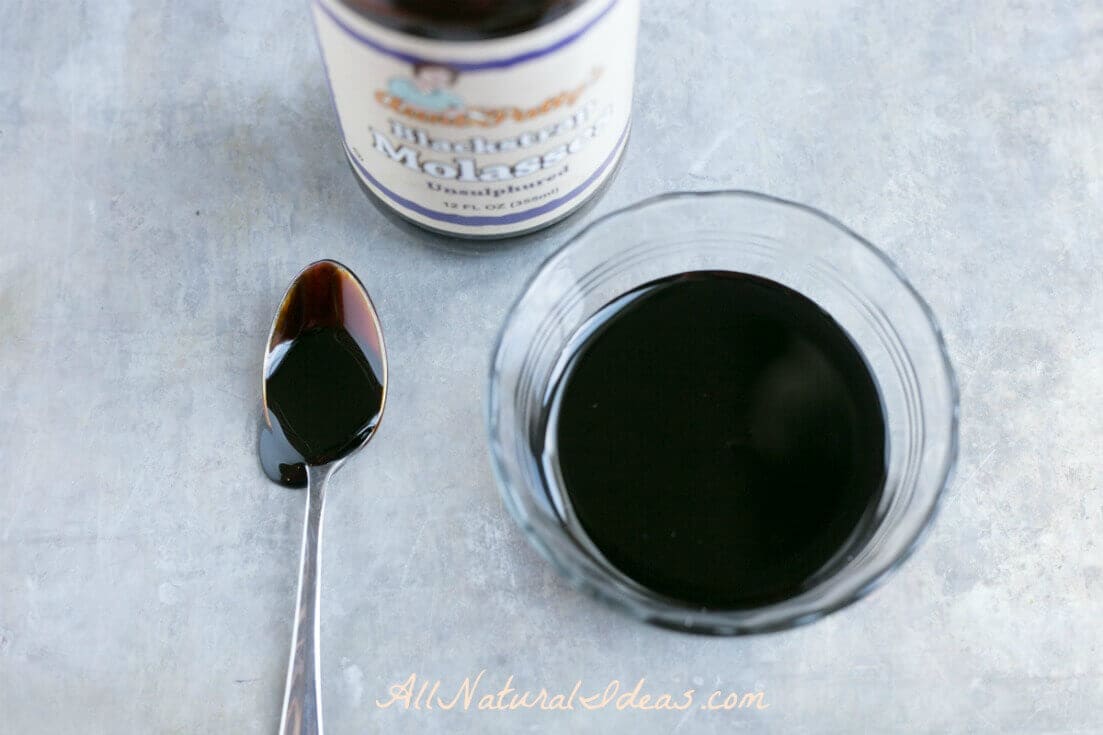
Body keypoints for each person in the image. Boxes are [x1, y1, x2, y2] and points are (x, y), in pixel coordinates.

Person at [387, 63, 464, 112]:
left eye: (441, 78)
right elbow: (392, 86)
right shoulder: (403, 85)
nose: (436, 77)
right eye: (433, 71)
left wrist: (453, 111)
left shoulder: (444, 97)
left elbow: (458, 104)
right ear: (419, 72)